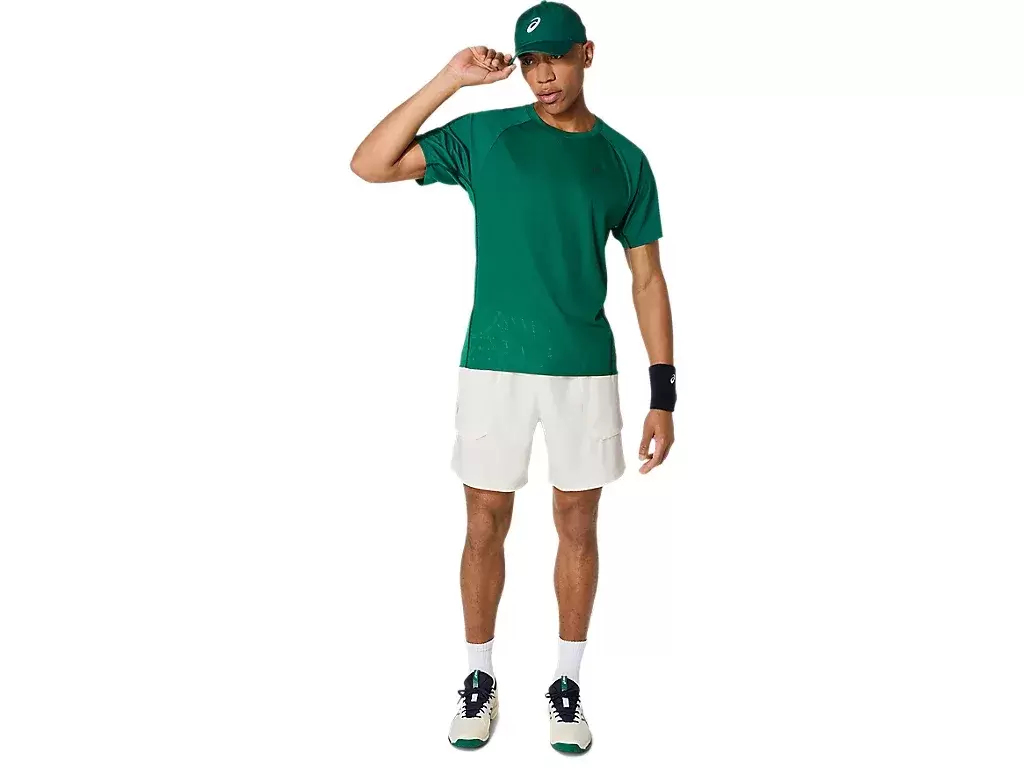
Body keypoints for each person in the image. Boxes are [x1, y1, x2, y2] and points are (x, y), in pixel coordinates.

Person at [350, 0, 675, 753]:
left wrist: (663, 393)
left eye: (554, 57)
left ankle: (566, 683)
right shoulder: (486, 136)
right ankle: (479, 678)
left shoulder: (624, 160)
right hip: (493, 364)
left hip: (583, 370)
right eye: (529, 62)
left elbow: (648, 279)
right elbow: (370, 164)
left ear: (586, 54)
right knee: (484, 522)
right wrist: (450, 80)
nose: (541, 75)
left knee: (578, 526)